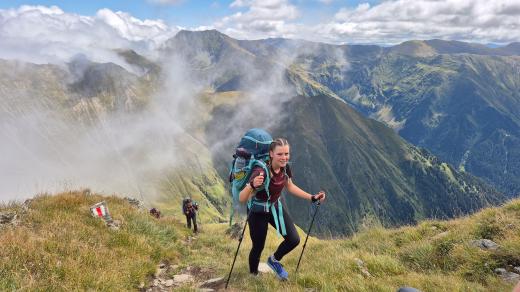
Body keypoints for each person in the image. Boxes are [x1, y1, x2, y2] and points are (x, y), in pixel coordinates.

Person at [239, 138, 326, 280]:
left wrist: (312, 197)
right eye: (280, 154)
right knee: (258, 246)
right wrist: (252, 185)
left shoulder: (285, 167)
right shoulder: (261, 171)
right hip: (257, 212)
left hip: (274, 207)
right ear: (271, 154)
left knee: (293, 239)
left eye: (286, 154)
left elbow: (290, 186)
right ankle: (253, 275)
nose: (284, 157)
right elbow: (242, 199)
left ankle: (273, 260)